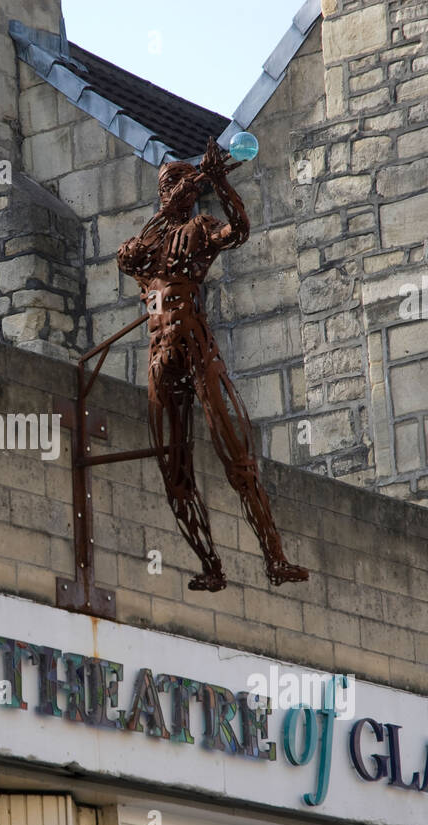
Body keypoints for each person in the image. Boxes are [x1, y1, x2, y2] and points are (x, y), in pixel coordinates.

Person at [116, 139, 308, 591]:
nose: (175, 191)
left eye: (179, 182)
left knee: (236, 456)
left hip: (196, 346)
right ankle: (210, 565)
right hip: (159, 354)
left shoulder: (199, 229)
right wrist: (165, 211)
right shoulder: (147, 245)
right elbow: (126, 259)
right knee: (174, 469)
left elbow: (239, 231)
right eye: (168, 185)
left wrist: (219, 182)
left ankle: (274, 558)